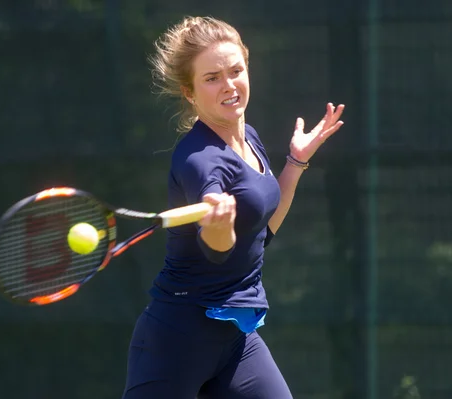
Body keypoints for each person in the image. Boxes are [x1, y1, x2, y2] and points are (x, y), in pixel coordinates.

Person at [122, 16, 345, 399]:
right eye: (212, 78)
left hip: (236, 339)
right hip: (177, 339)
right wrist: (218, 223)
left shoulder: (248, 137)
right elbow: (217, 250)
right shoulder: (199, 160)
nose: (229, 85)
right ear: (189, 93)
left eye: (236, 71)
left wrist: (295, 162)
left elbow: (263, 229)